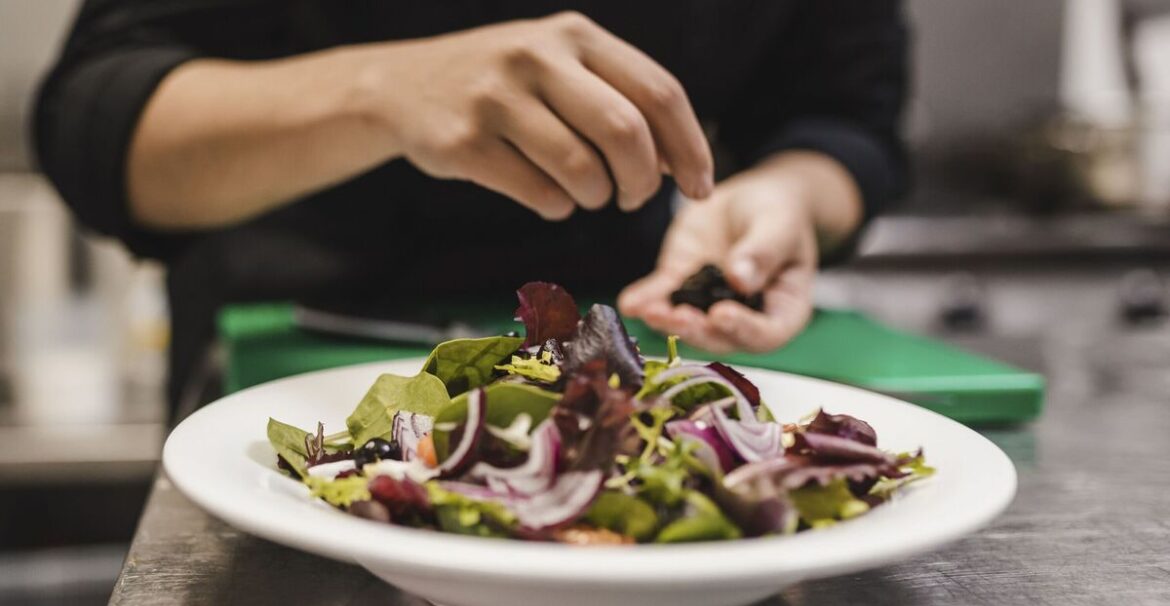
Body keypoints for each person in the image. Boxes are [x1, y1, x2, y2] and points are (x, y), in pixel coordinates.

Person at [35, 1, 907, 414]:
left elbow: (845, 121)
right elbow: (94, 127)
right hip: (286, 374)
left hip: (627, 368)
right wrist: (379, 92)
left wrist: (790, 192)